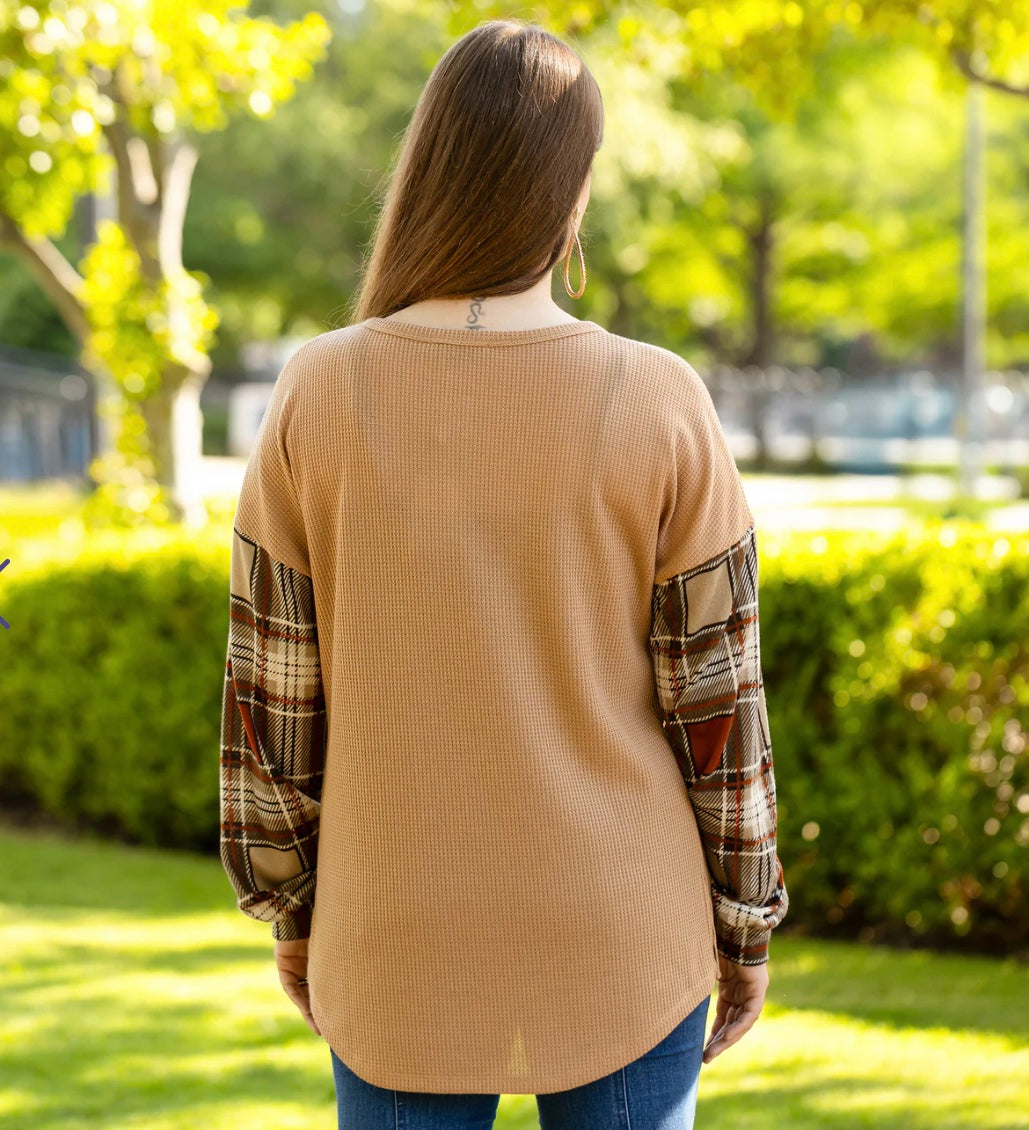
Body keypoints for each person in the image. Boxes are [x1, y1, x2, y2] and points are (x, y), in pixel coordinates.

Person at [219, 17, 788, 1130]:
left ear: (430, 169)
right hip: (626, 926)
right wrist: (746, 919)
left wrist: (291, 909)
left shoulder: (318, 391)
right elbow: (719, 704)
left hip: (394, 934)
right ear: (572, 192)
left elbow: (270, 699)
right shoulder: (661, 397)